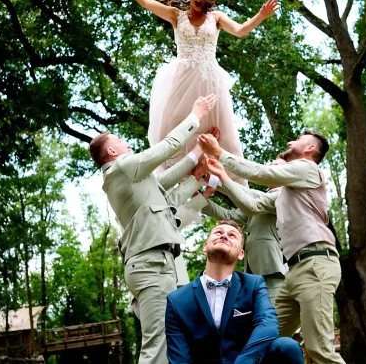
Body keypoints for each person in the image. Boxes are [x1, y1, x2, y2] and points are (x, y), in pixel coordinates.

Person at [105, 0, 280, 175]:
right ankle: (181, 173)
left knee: (221, 134)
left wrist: (260, 16)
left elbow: (240, 30)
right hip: (183, 79)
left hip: (210, 80)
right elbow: (144, 1)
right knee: (172, 130)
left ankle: (227, 179)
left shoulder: (216, 17)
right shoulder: (176, 16)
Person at [89, 94, 216, 364]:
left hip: (159, 263)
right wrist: (195, 114)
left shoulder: (133, 178)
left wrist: (197, 158)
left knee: (170, 340)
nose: (127, 144)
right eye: (120, 142)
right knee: (157, 344)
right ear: (112, 152)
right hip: (150, 265)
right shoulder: (121, 167)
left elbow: (165, 186)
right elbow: (166, 147)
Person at [199, 131, 345, 364]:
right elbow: (252, 202)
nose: (289, 141)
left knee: (319, 350)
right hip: (295, 271)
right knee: (261, 342)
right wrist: (220, 177)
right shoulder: (283, 194)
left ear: (309, 148)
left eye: (296, 139)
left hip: (315, 263)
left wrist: (220, 153)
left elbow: (262, 173)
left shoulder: (308, 168)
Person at [165, 220, 304, 364]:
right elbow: (179, 359)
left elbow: (268, 324)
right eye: (218, 232)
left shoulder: (254, 284)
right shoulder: (176, 300)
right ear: (205, 247)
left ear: (241, 254)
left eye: (232, 235)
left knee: (286, 346)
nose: (224, 236)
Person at [199, 158, 287, 303]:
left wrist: (216, 178)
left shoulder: (286, 195)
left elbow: (250, 194)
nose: (270, 167)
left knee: (277, 321)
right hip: (255, 272)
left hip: (273, 271)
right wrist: (199, 198)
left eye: (276, 165)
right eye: (269, 164)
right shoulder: (258, 202)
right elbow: (229, 215)